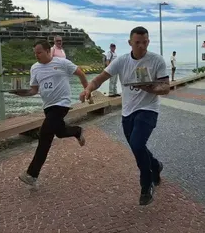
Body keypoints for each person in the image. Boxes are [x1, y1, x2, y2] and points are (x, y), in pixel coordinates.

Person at [79, 26, 170, 205]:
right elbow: (99, 79)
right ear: (130, 43)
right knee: (137, 147)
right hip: (127, 112)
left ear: (148, 42)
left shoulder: (157, 60)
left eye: (145, 42)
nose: (142, 46)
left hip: (148, 109)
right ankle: (155, 165)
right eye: (137, 43)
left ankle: (146, 185)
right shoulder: (121, 61)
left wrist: (150, 88)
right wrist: (88, 88)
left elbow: (166, 87)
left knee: (137, 143)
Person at [11, 40, 88, 186]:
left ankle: (32, 174)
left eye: (39, 52)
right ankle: (77, 131)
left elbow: (80, 74)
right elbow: (34, 90)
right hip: (48, 107)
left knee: (44, 135)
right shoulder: (35, 68)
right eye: (35, 53)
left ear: (48, 51)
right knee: (59, 132)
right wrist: (21, 93)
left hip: (62, 104)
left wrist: (87, 90)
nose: (36, 55)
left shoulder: (62, 63)